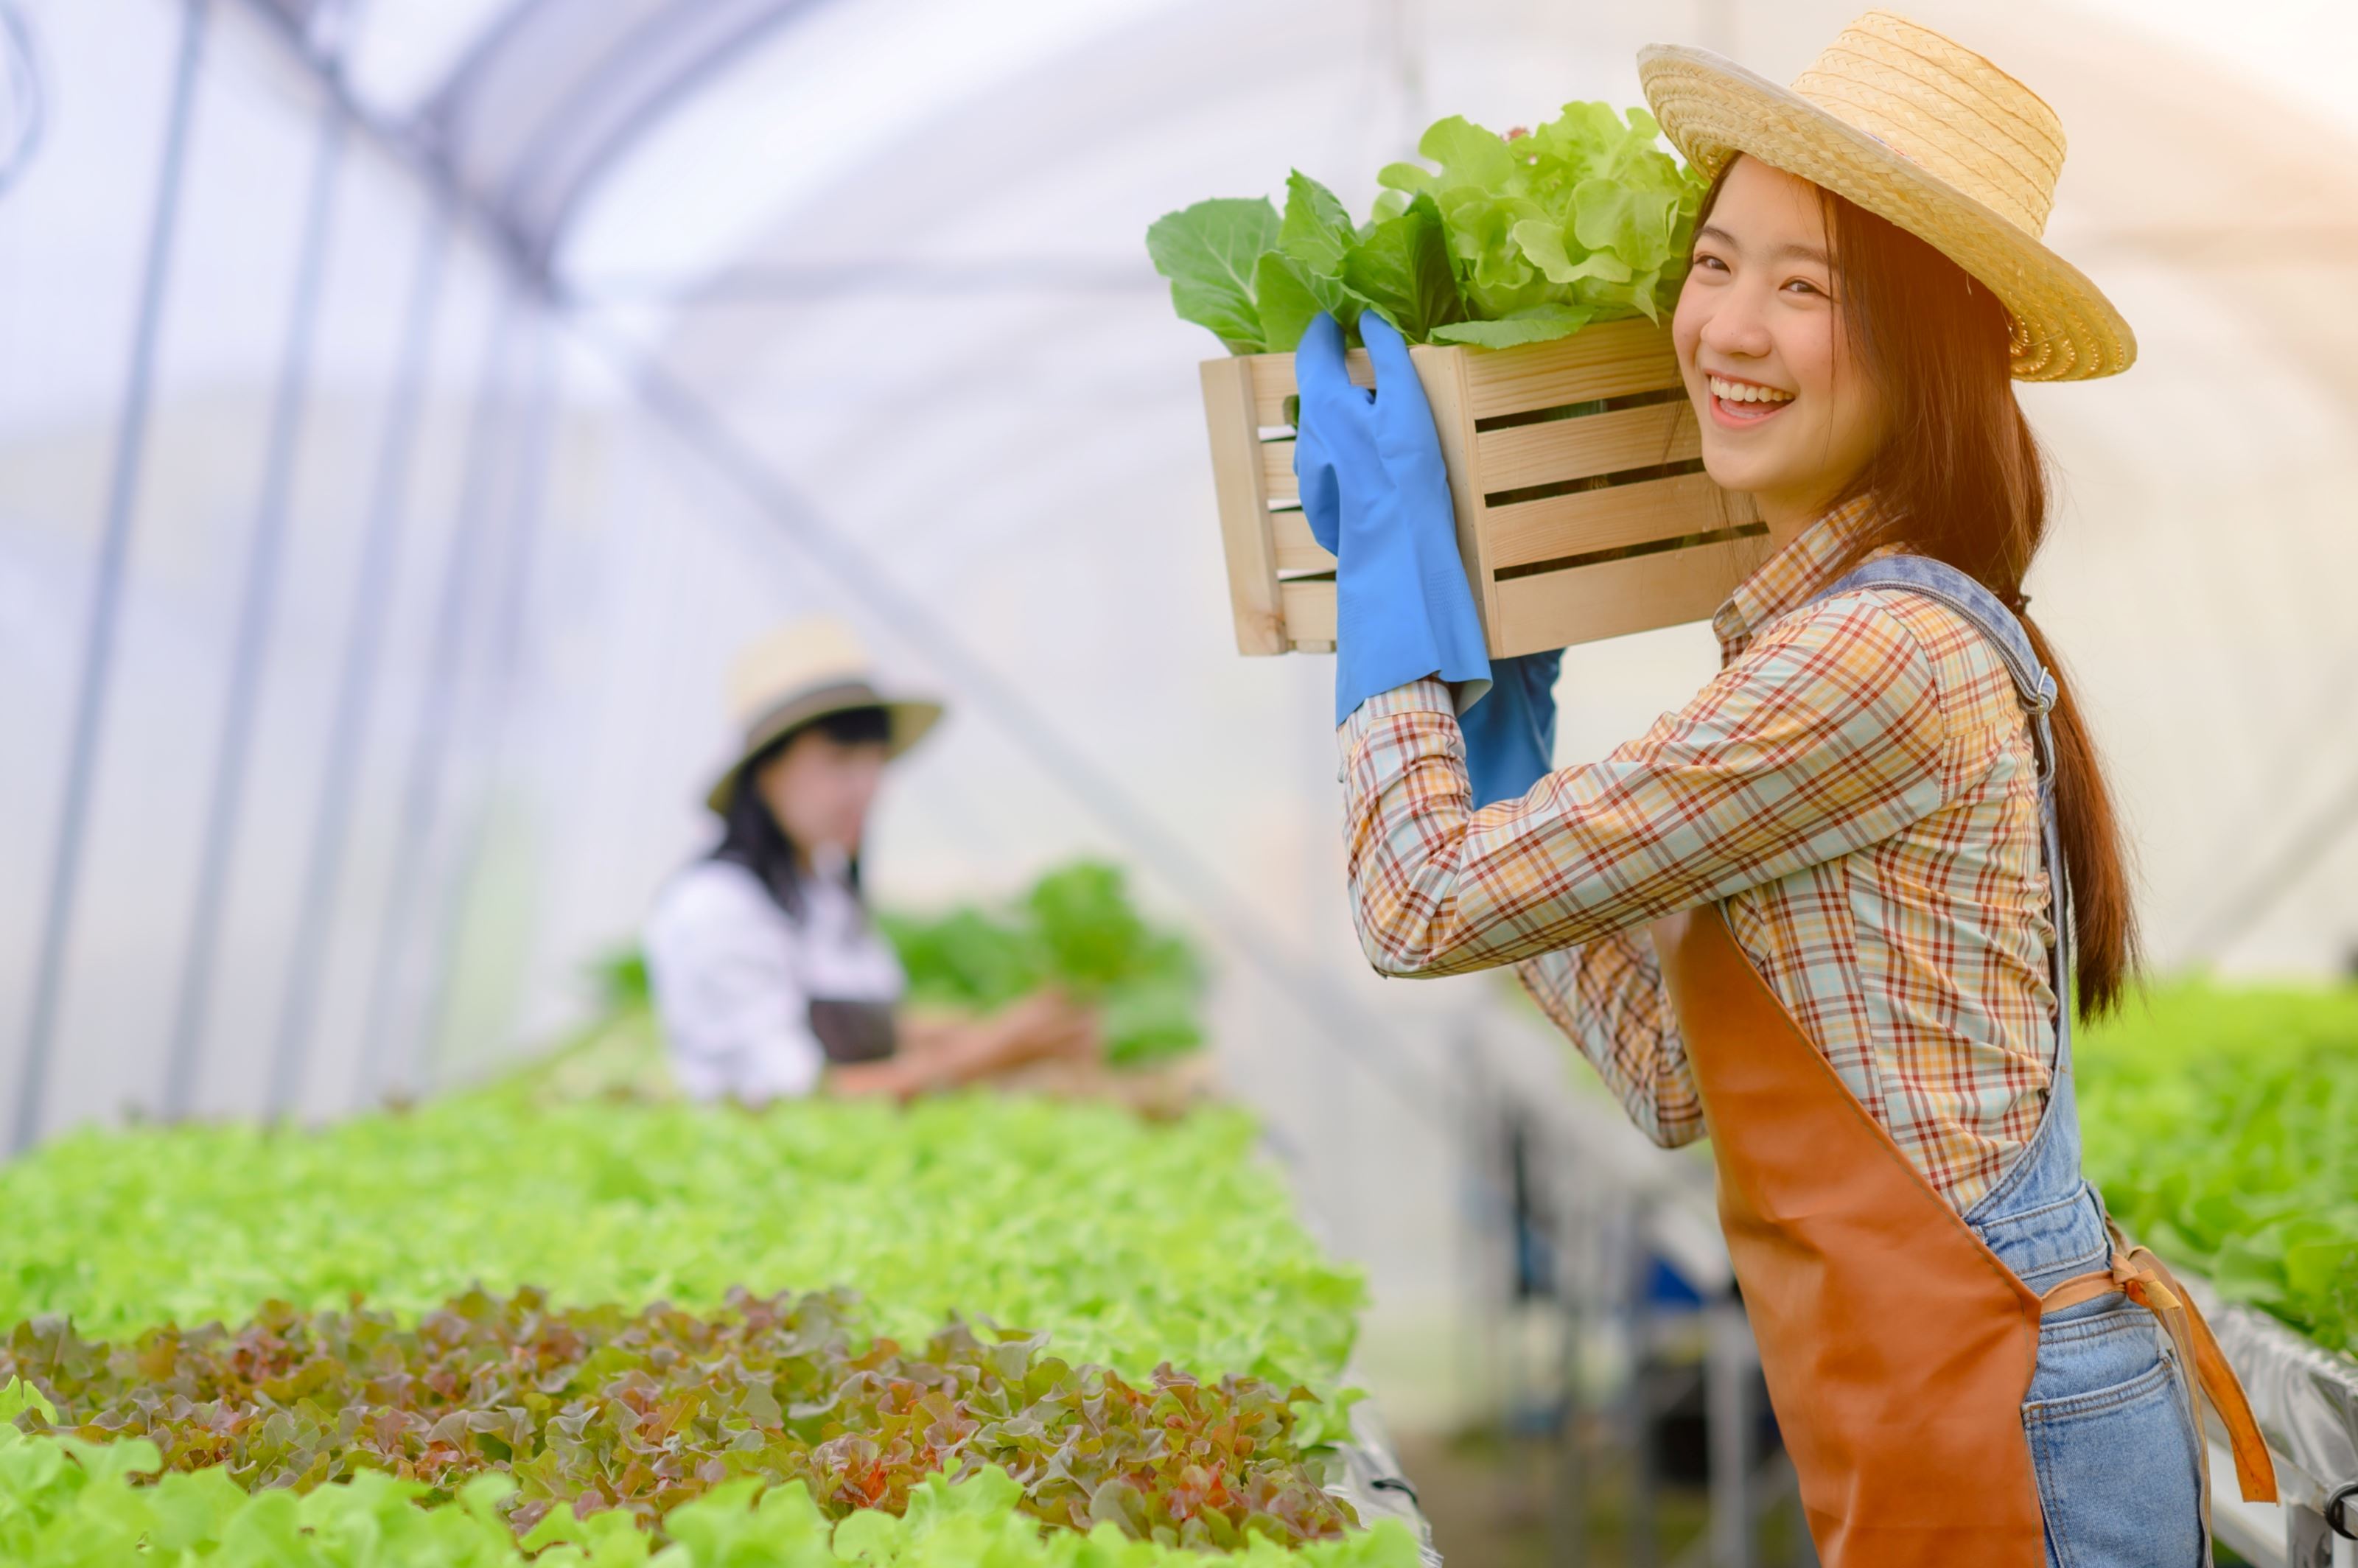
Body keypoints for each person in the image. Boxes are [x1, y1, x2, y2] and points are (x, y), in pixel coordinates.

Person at [1296, 13, 2275, 1567]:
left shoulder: (1876, 659)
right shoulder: (1842, 639)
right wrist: (1506, 766)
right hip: (1939, 1404)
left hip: (1995, 1420)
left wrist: (1391, 632)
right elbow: (1673, 1078)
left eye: (1805, 288)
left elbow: (1412, 904)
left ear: (1925, 345)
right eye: (1715, 263)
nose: (1729, 327)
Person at [643, 617, 1095, 1102]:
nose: (867, 788)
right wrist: (990, 1053)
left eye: (875, 760)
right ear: (768, 772)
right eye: (839, 762)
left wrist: (998, 1031)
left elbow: (864, 1028)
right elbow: (799, 1100)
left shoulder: (820, 886)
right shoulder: (717, 909)